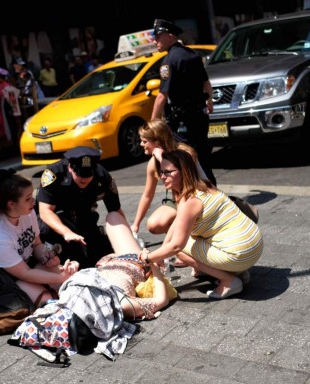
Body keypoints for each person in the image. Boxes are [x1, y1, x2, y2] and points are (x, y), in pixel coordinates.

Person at [138, 149, 264, 299]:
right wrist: (160, 253)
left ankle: (229, 280)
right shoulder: (204, 184)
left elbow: (176, 245)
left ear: (183, 171)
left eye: (167, 172)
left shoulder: (189, 201)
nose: (162, 177)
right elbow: (178, 222)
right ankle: (238, 271)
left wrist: (149, 258)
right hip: (255, 245)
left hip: (239, 254)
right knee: (180, 240)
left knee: (180, 249)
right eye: (161, 172)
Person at [0, 168, 80, 307]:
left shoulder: (27, 212)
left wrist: (47, 255)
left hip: (23, 264)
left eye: (32, 195)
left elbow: (36, 244)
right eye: (28, 198)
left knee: (69, 284)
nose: (33, 201)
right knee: (48, 300)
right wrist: (60, 276)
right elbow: (24, 273)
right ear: (11, 204)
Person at [150, 18, 217, 187]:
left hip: (182, 123)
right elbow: (206, 83)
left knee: (184, 161)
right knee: (202, 156)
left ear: (170, 36)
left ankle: (196, 197)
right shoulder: (194, 55)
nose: (155, 40)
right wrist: (209, 101)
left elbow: (162, 96)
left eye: (158, 36)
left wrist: (152, 124)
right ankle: (213, 192)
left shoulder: (169, 61)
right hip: (200, 118)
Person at [37, 146, 126, 269]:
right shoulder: (54, 174)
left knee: (103, 260)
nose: (84, 179)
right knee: (72, 262)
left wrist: (128, 236)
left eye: (88, 175)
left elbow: (115, 210)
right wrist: (66, 232)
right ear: (70, 167)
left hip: (84, 219)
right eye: (79, 174)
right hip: (58, 224)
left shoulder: (102, 175)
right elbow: (45, 212)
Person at [131, 119, 207, 237]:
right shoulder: (153, 163)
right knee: (154, 224)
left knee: (181, 231)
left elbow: (191, 185)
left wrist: (162, 158)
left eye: (144, 141)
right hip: (179, 199)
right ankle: (180, 236)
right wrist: (135, 225)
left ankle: (183, 238)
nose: (141, 144)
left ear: (157, 142)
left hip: (198, 197)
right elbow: (147, 195)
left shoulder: (185, 153)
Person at [96, 211, 171, 320]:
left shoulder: (70, 294)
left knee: (113, 216)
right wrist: (152, 262)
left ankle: (135, 242)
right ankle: (136, 243)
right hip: (130, 261)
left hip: (111, 260)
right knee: (113, 216)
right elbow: (162, 300)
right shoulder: (123, 304)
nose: (68, 263)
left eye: (60, 267)